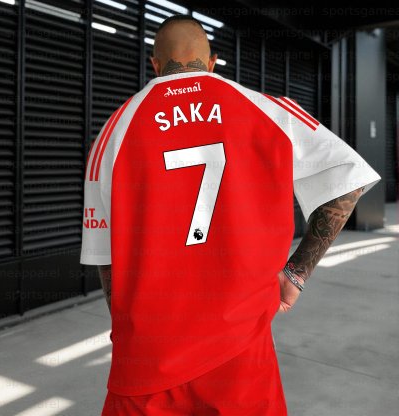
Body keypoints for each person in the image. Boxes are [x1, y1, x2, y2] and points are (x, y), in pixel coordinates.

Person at [80, 14, 381, 416]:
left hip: (147, 360)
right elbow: (349, 179)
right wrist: (296, 274)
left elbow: (106, 259)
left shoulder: (112, 133)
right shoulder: (268, 109)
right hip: (241, 352)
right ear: (212, 61)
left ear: (154, 64)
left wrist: (134, 331)